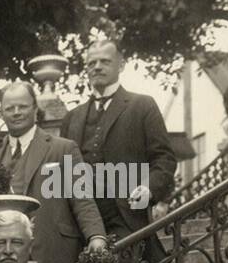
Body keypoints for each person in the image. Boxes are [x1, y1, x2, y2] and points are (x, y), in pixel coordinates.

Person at [60, 39, 178, 236]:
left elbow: (164, 159)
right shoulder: (72, 117)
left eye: (105, 61)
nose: (97, 67)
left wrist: (148, 189)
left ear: (121, 65)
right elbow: (62, 171)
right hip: (80, 221)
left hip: (126, 216)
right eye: (91, 63)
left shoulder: (143, 106)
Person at [0, 81, 107, 263]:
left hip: (54, 255)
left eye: (23, 106)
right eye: (10, 108)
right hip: (8, 260)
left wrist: (96, 237)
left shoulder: (63, 149)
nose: (16, 112)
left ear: (36, 109)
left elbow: (82, 199)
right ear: (1, 113)